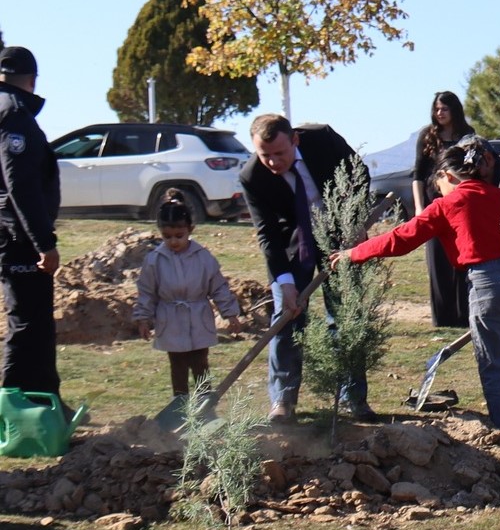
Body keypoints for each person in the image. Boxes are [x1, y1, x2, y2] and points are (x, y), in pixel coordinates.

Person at [339, 142, 500, 455]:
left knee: (492, 365)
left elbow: (402, 238)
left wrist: (354, 253)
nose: (437, 193)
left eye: (437, 186)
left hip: (485, 283)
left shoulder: (448, 204)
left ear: (446, 175)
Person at [238, 114, 374, 423]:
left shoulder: (322, 139)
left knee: (344, 315)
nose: (272, 162)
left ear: (294, 140)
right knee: (286, 318)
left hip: (341, 236)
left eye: (279, 153)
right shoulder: (252, 177)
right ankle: (283, 402)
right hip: (293, 244)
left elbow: (359, 174)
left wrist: (355, 222)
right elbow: (267, 234)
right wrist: (285, 283)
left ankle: (354, 398)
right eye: (265, 155)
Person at [132, 191, 243, 430]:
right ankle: (180, 408)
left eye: (179, 236)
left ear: (190, 229)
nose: (173, 241)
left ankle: (205, 408)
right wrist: (143, 318)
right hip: (169, 318)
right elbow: (147, 292)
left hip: (198, 315)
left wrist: (230, 313)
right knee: (178, 364)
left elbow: (219, 287)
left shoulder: (204, 258)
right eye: (167, 236)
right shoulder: (155, 260)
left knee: (200, 362)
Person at [0, 46, 60, 402]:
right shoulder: (15, 114)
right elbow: (20, 183)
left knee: (32, 320)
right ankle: (16, 407)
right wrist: (43, 242)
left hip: (12, 231)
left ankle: (43, 399)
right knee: (28, 322)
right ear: (32, 79)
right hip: (18, 235)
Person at [413, 90, 473, 329]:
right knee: (437, 259)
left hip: (460, 205)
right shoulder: (427, 136)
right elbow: (417, 175)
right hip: (434, 203)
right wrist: (419, 207)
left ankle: (464, 314)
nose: (440, 113)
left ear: (454, 110)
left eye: (444, 109)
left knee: (462, 257)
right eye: (436, 109)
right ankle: (443, 317)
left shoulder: (467, 135)